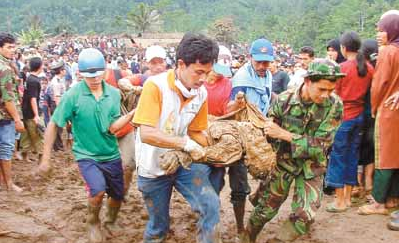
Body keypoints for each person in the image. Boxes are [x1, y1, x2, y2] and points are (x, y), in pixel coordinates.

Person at [241, 59, 344, 243]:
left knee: (304, 216)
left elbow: (321, 145)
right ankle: (247, 237)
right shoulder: (284, 101)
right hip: (283, 162)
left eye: (331, 90)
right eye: (322, 89)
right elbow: (269, 135)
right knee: (265, 210)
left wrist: (285, 135)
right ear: (308, 82)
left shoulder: (335, 106)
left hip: (312, 166)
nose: (326, 95)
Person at [37, 48, 135, 242]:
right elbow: (54, 124)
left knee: (117, 194)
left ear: (105, 71)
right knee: (97, 191)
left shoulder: (114, 94)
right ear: (80, 73)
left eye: (98, 74)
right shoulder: (73, 95)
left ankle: (110, 220)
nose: (95, 79)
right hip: (87, 155)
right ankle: (93, 222)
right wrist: (46, 158)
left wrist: (131, 115)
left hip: (110, 153)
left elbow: (111, 128)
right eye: (90, 76)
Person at [133, 33, 221, 243]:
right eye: (199, 72)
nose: (203, 79)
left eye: (207, 73)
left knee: (211, 206)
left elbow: (196, 131)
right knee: (158, 227)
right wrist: (185, 144)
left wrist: (218, 148)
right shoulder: (155, 86)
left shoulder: (201, 94)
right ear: (181, 64)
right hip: (152, 168)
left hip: (183, 163)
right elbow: (146, 133)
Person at [357, 12, 399, 231]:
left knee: (383, 155)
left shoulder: (388, 52)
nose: (379, 34)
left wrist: (373, 108)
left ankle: (378, 202)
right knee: (397, 155)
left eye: (382, 29)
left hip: (388, 111)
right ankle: (393, 199)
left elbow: (380, 84)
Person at [325, 31, 374, 212]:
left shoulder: (342, 68)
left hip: (344, 117)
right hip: (360, 116)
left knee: (338, 157)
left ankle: (339, 202)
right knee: (353, 156)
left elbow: (333, 94)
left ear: (344, 49)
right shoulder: (368, 68)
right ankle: (347, 197)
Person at [205, 45, 249, 238]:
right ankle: (211, 224)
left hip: (231, 137)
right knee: (213, 184)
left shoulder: (227, 84)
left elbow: (226, 109)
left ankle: (240, 227)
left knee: (239, 185)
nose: (219, 75)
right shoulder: (200, 84)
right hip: (208, 139)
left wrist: (237, 104)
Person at [0, 32, 25, 192]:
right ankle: (8, 183)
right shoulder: (5, 69)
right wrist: (17, 119)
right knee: (6, 148)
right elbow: (8, 98)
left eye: (14, 47)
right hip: (5, 115)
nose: (12, 50)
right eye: (9, 47)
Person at [229, 38, 274, 116]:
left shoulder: (268, 76)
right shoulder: (241, 78)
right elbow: (231, 111)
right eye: (258, 62)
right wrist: (236, 103)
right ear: (250, 57)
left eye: (266, 63)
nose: (261, 67)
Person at [20, 57, 44, 162]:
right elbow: (33, 99)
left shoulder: (29, 78)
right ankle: (41, 158)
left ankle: (25, 155)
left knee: (27, 135)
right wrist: (36, 115)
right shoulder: (34, 81)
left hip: (25, 111)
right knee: (38, 135)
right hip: (31, 112)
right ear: (40, 66)